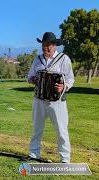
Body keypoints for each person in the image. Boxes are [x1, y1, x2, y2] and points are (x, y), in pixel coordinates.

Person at [26, 32, 74, 163]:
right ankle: (34, 154)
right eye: (43, 45)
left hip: (57, 102)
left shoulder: (64, 59)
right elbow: (29, 76)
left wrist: (63, 87)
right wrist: (32, 79)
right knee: (37, 128)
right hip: (39, 100)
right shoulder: (38, 59)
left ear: (54, 45)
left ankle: (65, 159)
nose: (45, 48)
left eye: (48, 46)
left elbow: (70, 79)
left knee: (61, 130)